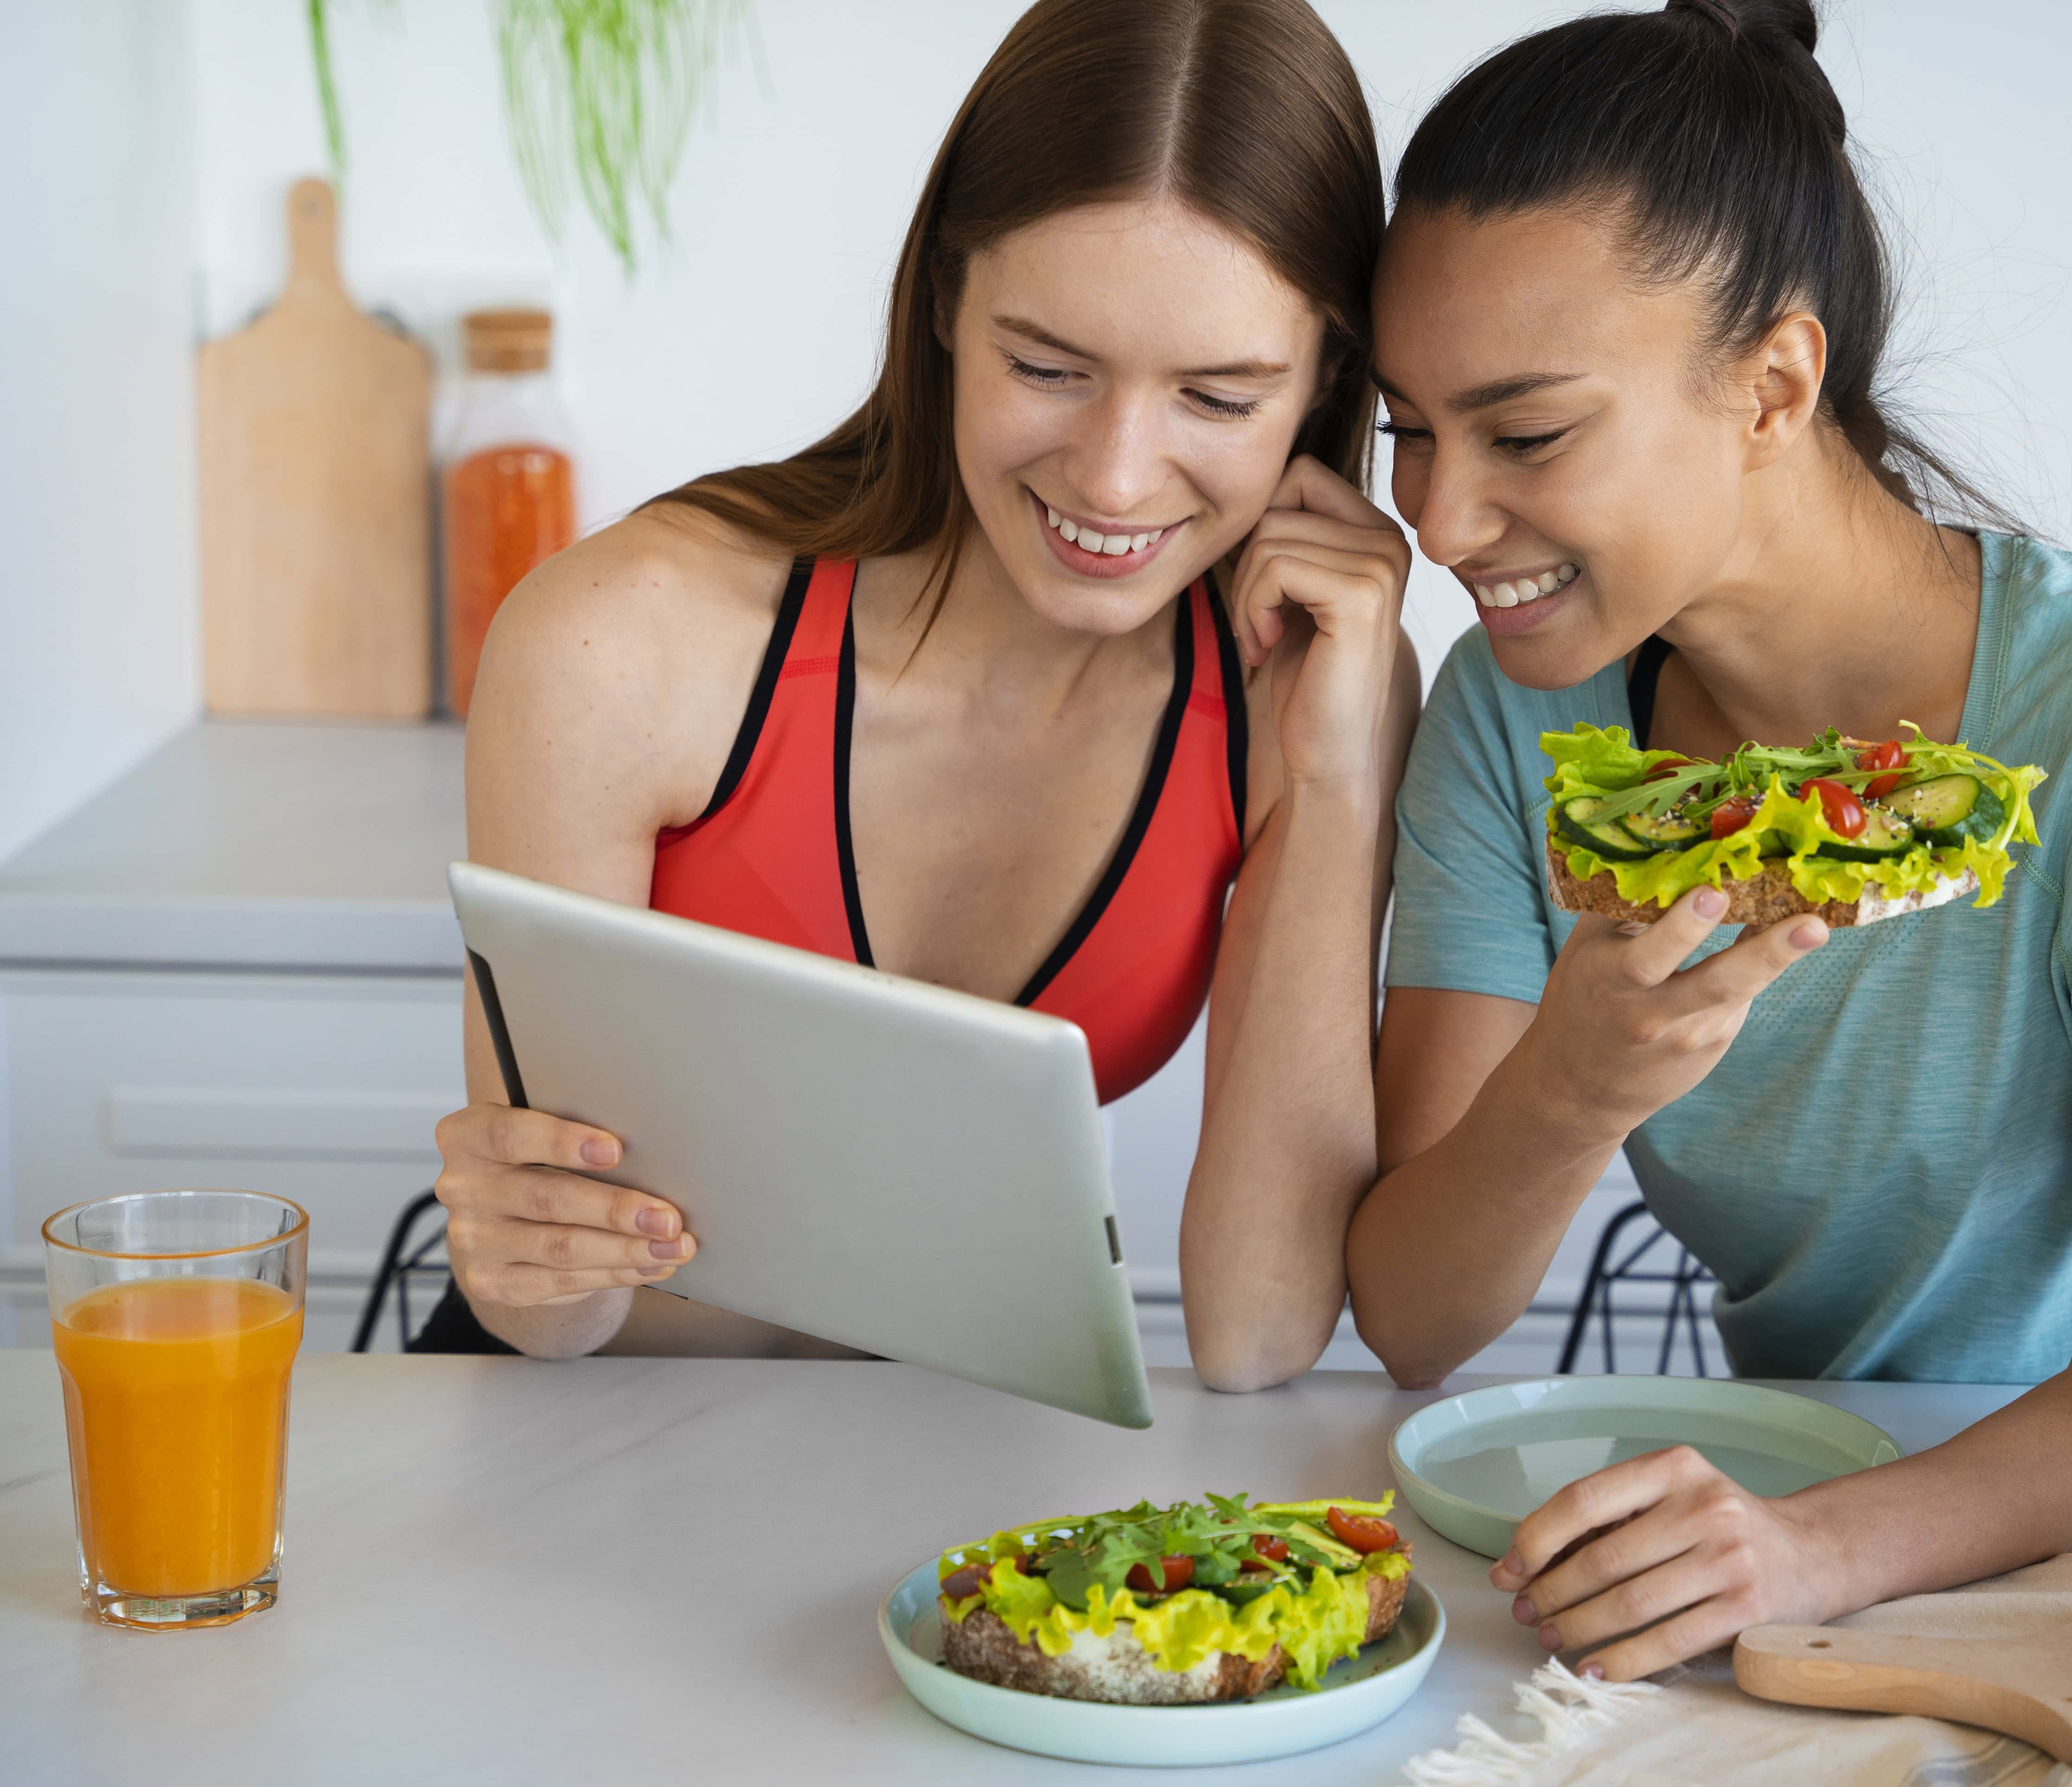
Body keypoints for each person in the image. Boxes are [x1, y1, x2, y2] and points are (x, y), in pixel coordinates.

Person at [1350, 0, 2072, 1679]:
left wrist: (1812, 1553)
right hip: (1770, 1507)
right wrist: (1577, 1083)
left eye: (1525, 435)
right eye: (1409, 430)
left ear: (1775, 383)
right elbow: (1413, 1317)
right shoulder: (1518, 715)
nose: (1439, 522)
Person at [423, 0, 1417, 1390]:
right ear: (946, 303)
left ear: (1326, 384)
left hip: (959, 1453)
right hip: (591, 1431)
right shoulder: (619, 644)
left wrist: (1336, 775)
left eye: (1220, 397)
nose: (1119, 478)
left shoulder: (1302, 689)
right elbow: (553, 1314)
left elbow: (1256, 1336)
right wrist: (523, 1253)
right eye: (1049, 368)